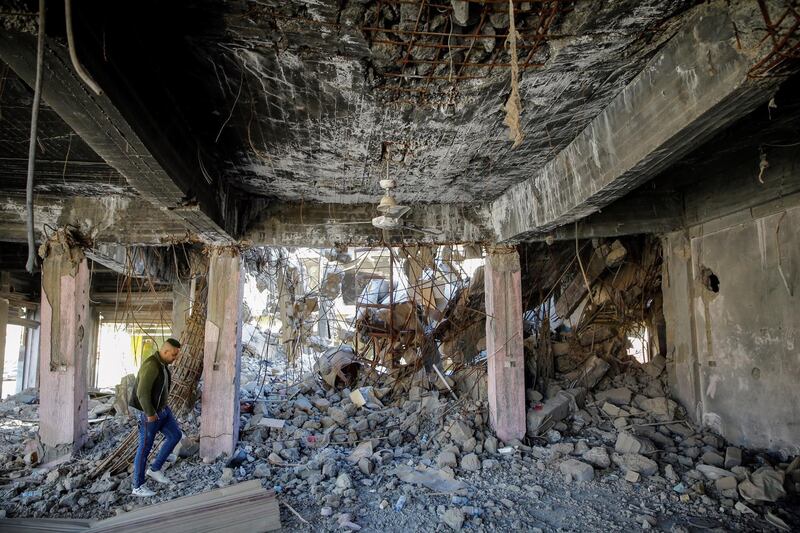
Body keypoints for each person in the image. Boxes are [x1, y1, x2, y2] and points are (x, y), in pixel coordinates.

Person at [129, 337, 183, 497]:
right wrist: (150, 413)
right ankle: (137, 486)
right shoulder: (151, 365)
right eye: (173, 355)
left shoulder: (163, 364)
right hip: (150, 414)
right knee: (144, 449)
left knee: (175, 435)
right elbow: (142, 393)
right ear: (165, 351)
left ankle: (155, 469)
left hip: (163, 411)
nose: (175, 358)